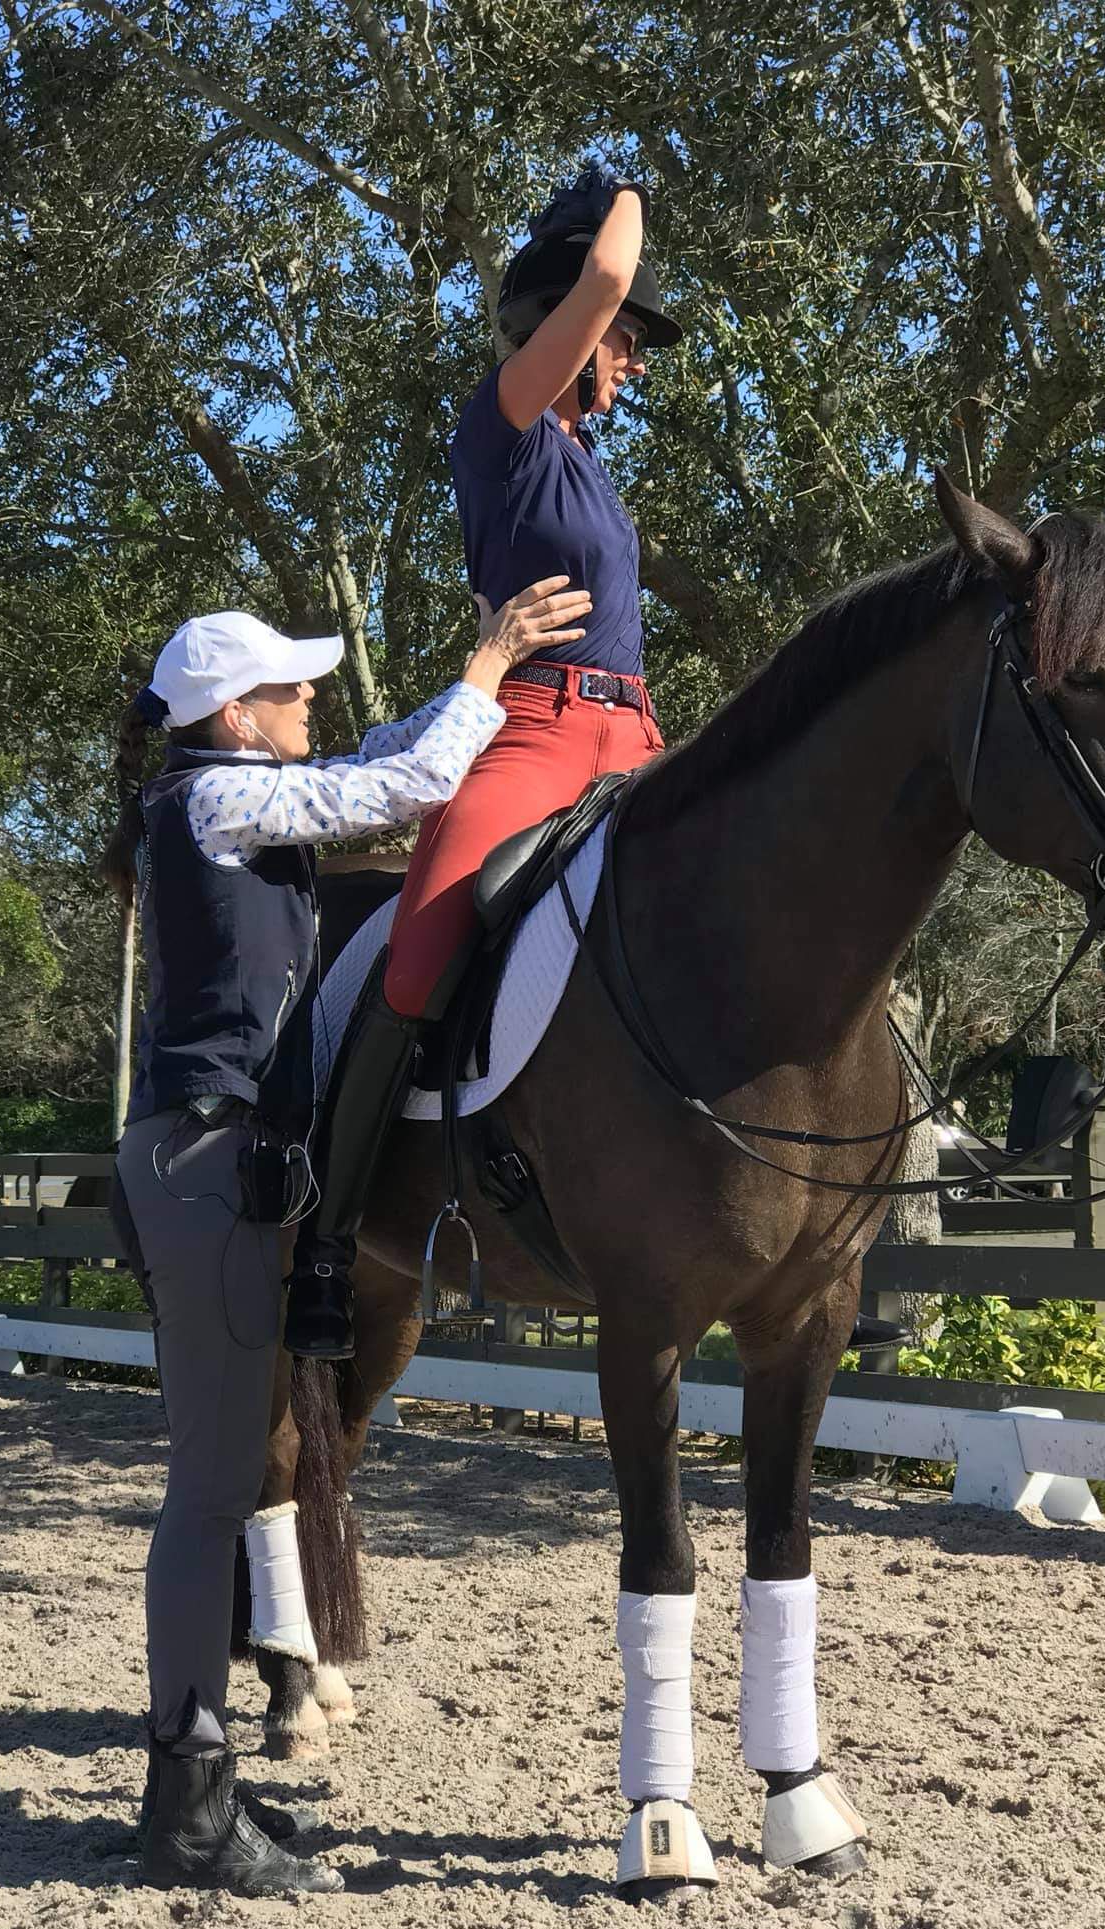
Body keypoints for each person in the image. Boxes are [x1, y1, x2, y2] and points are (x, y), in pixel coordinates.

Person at [105, 578, 590, 1895]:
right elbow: (406, 786)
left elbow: (384, 762)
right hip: (206, 1162)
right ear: (234, 717)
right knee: (210, 1497)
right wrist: (491, 667)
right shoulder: (213, 799)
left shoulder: (235, 798)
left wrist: (486, 684)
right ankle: (188, 1811)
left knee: (209, 1493)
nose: (313, 697)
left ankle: (199, 1791)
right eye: (290, 687)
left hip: (230, 1164)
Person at [287, 167, 681, 1359]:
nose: (638, 359)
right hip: (539, 729)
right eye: (628, 340)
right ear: (571, 326)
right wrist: (626, 187)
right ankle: (325, 1232)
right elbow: (610, 267)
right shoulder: (500, 426)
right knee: (420, 940)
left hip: (638, 732)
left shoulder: (592, 467)